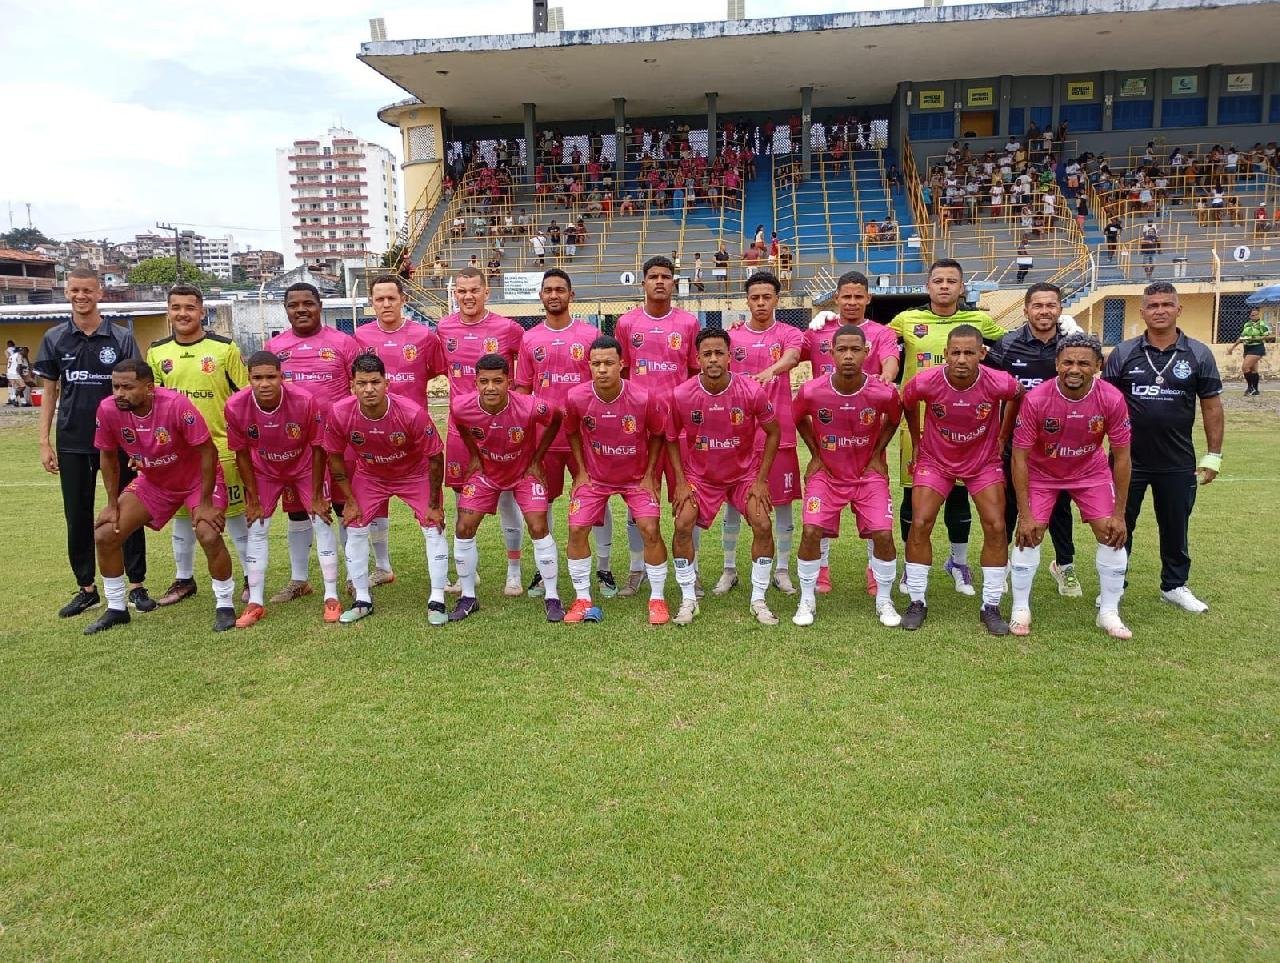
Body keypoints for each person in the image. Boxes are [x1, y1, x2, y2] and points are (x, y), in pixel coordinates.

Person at [86, 359, 236, 634]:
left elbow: (207, 452)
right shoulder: (108, 409)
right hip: (154, 482)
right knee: (106, 533)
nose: (119, 393)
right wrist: (111, 505)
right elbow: (107, 456)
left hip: (195, 482)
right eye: (115, 386)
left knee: (208, 533)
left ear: (149, 387)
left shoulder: (176, 405)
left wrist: (204, 504)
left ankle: (225, 605)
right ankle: (117, 608)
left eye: (127, 387)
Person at [34, 267, 151, 618]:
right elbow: (51, 392)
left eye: (87, 290)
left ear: (100, 293)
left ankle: (136, 585)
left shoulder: (120, 337)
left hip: (120, 442)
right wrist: (43, 441)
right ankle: (86, 589)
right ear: (66, 292)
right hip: (73, 439)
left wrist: (138, 443)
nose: (80, 296)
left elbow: (138, 394)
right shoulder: (55, 338)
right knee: (78, 515)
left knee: (126, 511)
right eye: (74, 290)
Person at [1103, 282, 1224, 612]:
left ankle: (1175, 585)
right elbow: (1103, 403)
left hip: (1176, 459)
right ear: (1142, 312)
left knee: (1175, 525)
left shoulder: (1198, 353)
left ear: (1178, 309)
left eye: (1166, 305)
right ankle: (1115, 584)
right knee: (1118, 523)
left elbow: (1211, 406)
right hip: (1128, 459)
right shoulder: (1123, 353)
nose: (1159, 310)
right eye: (1153, 305)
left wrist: (1213, 455)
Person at [889, 260, 1007, 597]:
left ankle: (958, 562)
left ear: (962, 287)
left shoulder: (981, 321)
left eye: (951, 281)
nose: (944, 286)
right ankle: (911, 570)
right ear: (927, 286)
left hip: (971, 427)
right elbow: (873, 342)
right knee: (915, 497)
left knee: (960, 496)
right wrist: (835, 320)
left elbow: (1014, 348)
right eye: (938, 280)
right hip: (921, 426)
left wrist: (1061, 331)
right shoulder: (906, 320)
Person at [900, 325, 1023, 634]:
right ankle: (917, 601)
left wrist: (1004, 435)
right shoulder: (927, 381)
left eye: (970, 352)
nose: (962, 359)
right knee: (921, 522)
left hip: (982, 461)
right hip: (935, 460)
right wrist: (916, 440)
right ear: (946, 354)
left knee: (996, 525)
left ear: (982, 354)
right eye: (956, 352)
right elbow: (907, 401)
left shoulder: (997, 381)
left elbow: (1017, 395)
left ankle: (991, 605)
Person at [1009, 334, 1133, 639]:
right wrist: (1024, 514)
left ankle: (1109, 612)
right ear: (1057, 364)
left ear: (1098, 366)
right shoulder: (1036, 398)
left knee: (1111, 532)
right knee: (1030, 532)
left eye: (1083, 363)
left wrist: (1120, 513)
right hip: (1042, 473)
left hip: (1090, 472)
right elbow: (1019, 458)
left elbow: (1123, 456)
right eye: (1067, 362)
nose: (1074, 369)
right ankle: (1020, 609)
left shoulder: (1112, 398)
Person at [667, 328, 782, 626]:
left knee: (763, 523)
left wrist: (761, 480)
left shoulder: (751, 391)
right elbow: (669, 437)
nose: (714, 359)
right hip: (700, 477)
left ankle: (758, 598)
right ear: (698, 358)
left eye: (719, 353)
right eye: (707, 354)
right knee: (682, 524)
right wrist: (680, 481)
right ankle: (688, 598)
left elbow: (773, 432)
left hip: (743, 475)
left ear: (730, 357)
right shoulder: (681, 394)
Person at [323, 354, 448, 625]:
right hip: (370, 475)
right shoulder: (340, 413)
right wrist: (349, 499)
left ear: (386, 383)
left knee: (433, 526)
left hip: (413, 475)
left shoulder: (411, 413)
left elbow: (436, 456)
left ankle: (437, 599)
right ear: (352, 385)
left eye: (375, 382)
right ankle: (362, 600)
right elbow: (333, 456)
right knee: (354, 526)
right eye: (362, 383)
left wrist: (435, 502)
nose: (369, 389)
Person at [792, 324, 903, 628]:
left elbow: (895, 418)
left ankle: (884, 599)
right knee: (812, 530)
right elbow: (797, 416)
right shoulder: (812, 390)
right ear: (831, 353)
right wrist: (816, 452)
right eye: (842, 349)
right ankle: (806, 598)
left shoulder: (882, 391)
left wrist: (879, 453)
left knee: (882, 533)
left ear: (868, 353)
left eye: (856, 350)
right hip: (827, 474)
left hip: (867, 475)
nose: (849, 356)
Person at [146, 284, 251, 607]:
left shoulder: (224, 349)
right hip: (176, 457)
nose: (182, 313)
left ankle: (251, 577)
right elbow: (151, 405)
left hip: (221, 450)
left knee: (234, 517)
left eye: (189, 307)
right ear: (169, 311)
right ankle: (184, 579)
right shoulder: (157, 353)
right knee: (182, 520)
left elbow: (245, 397)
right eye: (176, 307)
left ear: (202, 311)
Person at [803, 271, 901, 596]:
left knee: (874, 510)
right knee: (821, 510)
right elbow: (782, 346)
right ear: (836, 298)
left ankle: (876, 572)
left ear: (868, 299)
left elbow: (890, 361)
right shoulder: (820, 333)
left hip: (866, 436)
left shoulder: (881, 333)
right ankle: (820, 570)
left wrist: (885, 379)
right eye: (846, 296)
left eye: (859, 296)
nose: (852, 302)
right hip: (827, 436)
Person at [448, 354, 565, 623]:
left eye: (498, 381)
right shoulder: (460, 406)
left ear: (508, 382)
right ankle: (468, 596)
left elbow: (556, 417)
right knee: (464, 526)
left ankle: (552, 596)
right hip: (487, 473)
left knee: (538, 525)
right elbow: (461, 424)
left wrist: (537, 458)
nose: (491, 387)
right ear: (475, 382)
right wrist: (475, 456)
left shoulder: (529, 406)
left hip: (524, 473)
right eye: (484, 381)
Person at [225, 351, 339, 626]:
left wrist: (314, 496)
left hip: (303, 466)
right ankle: (255, 602)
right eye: (257, 378)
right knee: (257, 525)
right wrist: (252, 498)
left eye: (271, 377)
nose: (264, 383)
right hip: (264, 469)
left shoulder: (303, 401)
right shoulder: (235, 405)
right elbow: (241, 453)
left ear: (282, 377)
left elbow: (317, 446)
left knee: (321, 520)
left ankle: (331, 596)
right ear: (249, 378)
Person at [563, 335, 671, 625]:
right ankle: (583, 597)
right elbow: (571, 431)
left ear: (622, 365)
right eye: (596, 363)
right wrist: (582, 471)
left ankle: (657, 598)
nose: (602, 369)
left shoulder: (643, 398)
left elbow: (659, 433)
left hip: (636, 479)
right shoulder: (576, 397)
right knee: (576, 529)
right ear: (589, 366)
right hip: (596, 478)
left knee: (649, 528)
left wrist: (649, 475)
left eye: (609, 363)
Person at [264, 283, 359, 605]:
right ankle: (299, 579)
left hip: (338, 443)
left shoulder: (344, 343)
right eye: (294, 305)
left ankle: (353, 575)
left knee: (344, 507)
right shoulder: (275, 347)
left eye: (308, 303)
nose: (301, 309)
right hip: (297, 448)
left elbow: (358, 391)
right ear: (286, 309)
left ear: (320, 306)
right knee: (297, 514)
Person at [985, 283, 1082, 597]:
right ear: (1026, 310)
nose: (1044, 311)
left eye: (1051, 305)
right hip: (1016, 443)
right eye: (1037, 305)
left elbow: (1096, 376)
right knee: (1009, 506)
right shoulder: (1007, 345)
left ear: (1060, 309)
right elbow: (987, 388)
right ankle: (1005, 566)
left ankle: (1064, 566)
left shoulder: (1072, 345)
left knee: (1059, 508)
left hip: (1062, 445)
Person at [514, 269, 606, 596]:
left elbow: (601, 384)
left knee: (596, 498)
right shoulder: (529, 339)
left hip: (585, 435)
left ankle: (604, 568)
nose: (554, 295)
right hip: (544, 439)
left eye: (560, 290)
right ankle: (544, 569)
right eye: (548, 290)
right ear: (540, 296)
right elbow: (523, 389)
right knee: (544, 502)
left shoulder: (590, 334)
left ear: (571, 295)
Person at [613, 256, 700, 597]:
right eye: (653, 277)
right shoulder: (626, 323)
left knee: (687, 502)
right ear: (643, 283)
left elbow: (695, 374)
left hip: (680, 432)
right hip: (640, 432)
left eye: (666, 276)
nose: (660, 281)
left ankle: (691, 572)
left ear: (674, 282)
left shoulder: (689, 324)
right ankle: (638, 569)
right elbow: (622, 374)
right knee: (640, 502)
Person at [437, 267, 528, 596]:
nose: (468, 296)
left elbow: (529, 365)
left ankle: (514, 572)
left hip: (501, 431)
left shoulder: (508, 328)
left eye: (474, 290)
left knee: (506, 501)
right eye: (461, 291)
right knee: (464, 504)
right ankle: (467, 575)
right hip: (461, 432)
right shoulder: (443, 328)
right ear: (455, 294)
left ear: (486, 292)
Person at [353, 274, 447, 589]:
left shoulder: (424, 336)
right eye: (379, 299)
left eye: (391, 298)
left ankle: (443, 574)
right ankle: (381, 567)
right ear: (371, 303)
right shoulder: (360, 337)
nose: (386, 304)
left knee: (432, 506)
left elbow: (436, 371)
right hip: (373, 436)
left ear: (403, 299)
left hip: (415, 437)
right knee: (374, 505)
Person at [718, 271, 803, 596]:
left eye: (767, 297)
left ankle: (781, 570)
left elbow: (794, 356)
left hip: (777, 435)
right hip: (737, 438)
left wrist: (770, 370)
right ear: (747, 300)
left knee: (781, 505)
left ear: (777, 300)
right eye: (755, 297)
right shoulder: (732, 337)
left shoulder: (788, 333)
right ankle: (729, 569)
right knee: (734, 507)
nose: (761, 303)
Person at [1228, 308, 1271, 396]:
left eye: (1256, 314)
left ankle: (1250, 387)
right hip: (1247, 347)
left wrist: (1256, 338)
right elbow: (1241, 337)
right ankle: (1255, 389)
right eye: (1253, 315)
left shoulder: (1262, 324)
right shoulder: (1247, 325)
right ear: (1250, 316)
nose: (1255, 316)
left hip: (1257, 347)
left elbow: (1267, 335)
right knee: (1253, 370)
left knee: (1245, 367)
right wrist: (1232, 347)